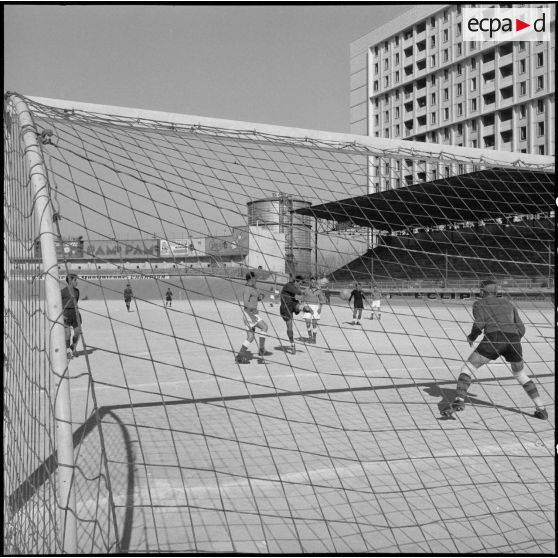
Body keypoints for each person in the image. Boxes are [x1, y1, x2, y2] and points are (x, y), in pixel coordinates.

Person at [442, 280, 548, 419]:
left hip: (494, 339)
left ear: (481, 292)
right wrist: (513, 341)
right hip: (514, 340)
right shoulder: (508, 303)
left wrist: (472, 337)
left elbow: (479, 324)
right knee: (520, 374)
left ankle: (459, 401)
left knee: (467, 369)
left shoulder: (479, 303)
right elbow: (521, 328)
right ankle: (541, 409)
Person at [235, 271, 271, 364]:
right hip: (250, 314)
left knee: (250, 337)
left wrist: (260, 297)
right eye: (255, 278)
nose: (256, 279)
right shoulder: (247, 288)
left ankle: (240, 356)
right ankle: (261, 349)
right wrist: (253, 308)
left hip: (252, 313)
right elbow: (246, 302)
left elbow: (256, 298)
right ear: (251, 279)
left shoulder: (253, 287)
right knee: (264, 327)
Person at [280, 275, 306, 354]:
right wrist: (304, 292)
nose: (300, 285)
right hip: (285, 307)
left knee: (301, 306)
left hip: (292, 304)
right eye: (300, 283)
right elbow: (297, 292)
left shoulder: (295, 287)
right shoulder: (288, 285)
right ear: (296, 281)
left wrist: (301, 301)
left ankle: (305, 309)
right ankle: (292, 344)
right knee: (290, 327)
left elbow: (296, 295)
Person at [61, 273, 82, 359]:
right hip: (66, 313)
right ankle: (67, 352)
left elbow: (76, 302)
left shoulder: (77, 291)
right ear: (71, 281)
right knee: (67, 334)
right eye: (75, 280)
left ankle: (73, 348)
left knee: (77, 332)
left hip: (75, 313)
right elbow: (59, 304)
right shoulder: (63, 291)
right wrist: (62, 315)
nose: (77, 282)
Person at [302, 276, 326, 343]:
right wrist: (304, 306)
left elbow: (322, 300)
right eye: (311, 282)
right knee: (308, 324)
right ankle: (310, 337)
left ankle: (314, 339)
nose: (313, 283)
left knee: (314, 324)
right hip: (307, 307)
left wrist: (320, 308)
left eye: (314, 282)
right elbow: (302, 298)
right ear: (310, 282)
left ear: (315, 283)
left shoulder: (318, 291)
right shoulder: (306, 290)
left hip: (316, 307)